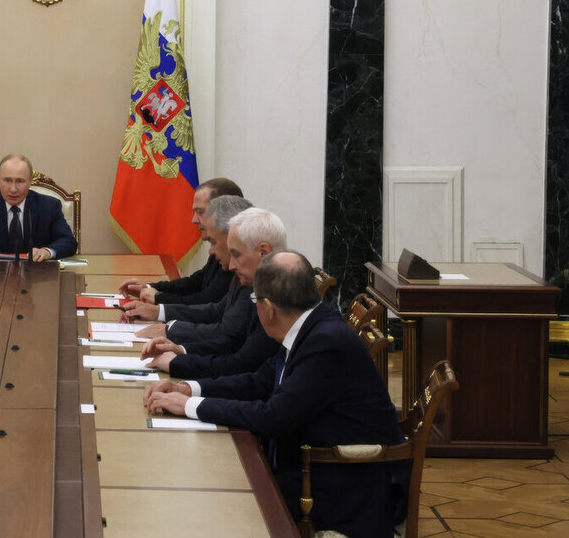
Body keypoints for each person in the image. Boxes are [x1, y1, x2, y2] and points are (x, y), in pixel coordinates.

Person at [144, 251, 406, 536]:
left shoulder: (326, 342)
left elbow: (273, 417)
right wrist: (187, 389)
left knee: (214, 502)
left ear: (268, 308)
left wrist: (190, 406)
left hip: (340, 487)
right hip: (307, 463)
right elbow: (258, 382)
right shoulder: (309, 325)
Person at [141, 204, 282, 377]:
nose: (231, 266)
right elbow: (231, 341)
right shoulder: (256, 284)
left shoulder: (273, 298)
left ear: (263, 252)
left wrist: (180, 364)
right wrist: (181, 350)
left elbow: (242, 363)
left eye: (236, 254)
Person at [117, 177, 244, 305]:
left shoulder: (237, 254)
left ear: (222, 213)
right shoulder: (222, 245)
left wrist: (159, 298)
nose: (194, 220)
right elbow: (195, 283)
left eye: (200, 212)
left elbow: (206, 301)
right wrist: (148, 288)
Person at [0, 154, 77, 261]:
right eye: (7, 180)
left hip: (38, 275)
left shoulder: (49, 206)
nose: (13, 189)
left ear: (30, 181)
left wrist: (47, 252)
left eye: (20, 181)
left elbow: (69, 242)